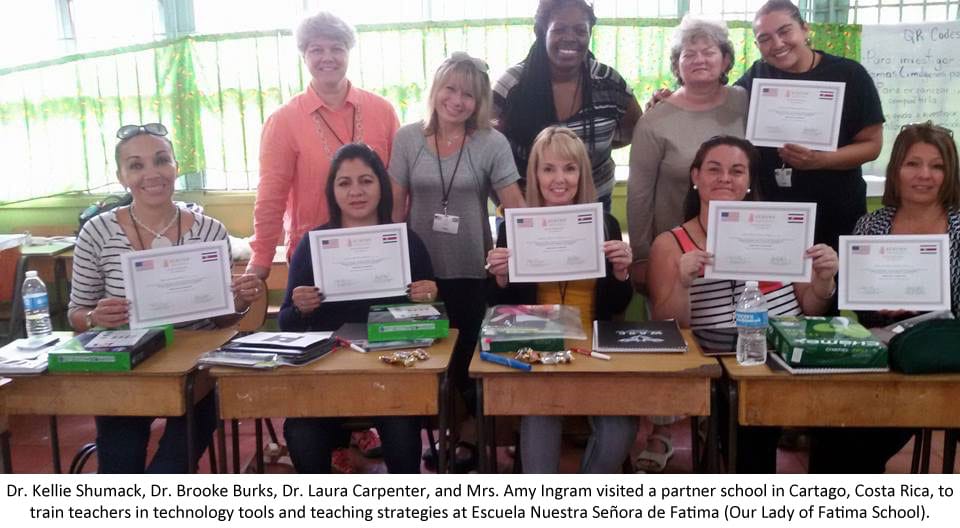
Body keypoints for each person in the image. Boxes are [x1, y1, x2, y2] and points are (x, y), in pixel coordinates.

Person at [68, 123, 263, 473]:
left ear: (175, 167)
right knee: (119, 467)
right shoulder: (96, 232)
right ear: (121, 176)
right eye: (136, 165)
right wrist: (96, 318)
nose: (151, 173)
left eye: (161, 160)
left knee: (172, 466)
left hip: (196, 370)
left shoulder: (210, 230)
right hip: (127, 369)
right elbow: (76, 314)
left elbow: (221, 321)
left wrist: (238, 302)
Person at [646, 135, 838, 472]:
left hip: (787, 349)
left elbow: (811, 308)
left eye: (736, 171)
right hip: (724, 360)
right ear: (695, 176)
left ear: (749, 181)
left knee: (839, 426)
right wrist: (682, 281)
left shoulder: (783, 226)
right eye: (713, 169)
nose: (724, 179)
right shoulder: (671, 243)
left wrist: (823, 281)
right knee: (749, 428)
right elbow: (669, 324)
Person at [646, 0, 884, 251]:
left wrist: (821, 160)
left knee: (830, 283)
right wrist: (670, 98)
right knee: (778, 289)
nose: (777, 44)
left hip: (836, 210)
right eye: (765, 38)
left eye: (784, 31)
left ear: (805, 29)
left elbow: (872, 145)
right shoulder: (760, 74)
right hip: (770, 215)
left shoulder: (849, 75)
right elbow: (715, 95)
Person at [389, 52, 525, 449]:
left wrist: (529, 245)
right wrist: (394, 268)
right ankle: (418, 435)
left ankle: (464, 438)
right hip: (419, 271)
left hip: (471, 267)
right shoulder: (407, 137)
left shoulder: (491, 142)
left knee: (464, 361)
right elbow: (396, 208)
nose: (457, 99)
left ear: (479, 101)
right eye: (450, 88)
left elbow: (514, 207)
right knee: (420, 357)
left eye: (469, 93)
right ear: (435, 89)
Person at [808, 121, 960, 473]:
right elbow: (857, 303)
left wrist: (925, 307)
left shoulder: (957, 228)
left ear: (949, 173)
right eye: (913, 164)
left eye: (936, 166)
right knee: (830, 429)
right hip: (878, 354)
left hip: (934, 359)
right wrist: (879, 303)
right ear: (897, 171)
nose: (924, 175)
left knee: (864, 443)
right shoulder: (871, 224)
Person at [279, 143, 436, 474]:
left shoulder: (407, 241)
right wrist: (300, 307)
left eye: (366, 180)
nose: (356, 192)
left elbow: (431, 321)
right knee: (300, 429)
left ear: (381, 184)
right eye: (344, 182)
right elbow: (286, 324)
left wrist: (429, 298)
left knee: (403, 427)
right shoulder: (312, 245)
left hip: (392, 371)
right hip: (327, 374)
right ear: (332, 191)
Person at [486, 126, 634, 473]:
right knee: (540, 422)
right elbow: (497, 307)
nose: (559, 179)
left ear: (582, 173)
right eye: (548, 168)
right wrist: (500, 277)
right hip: (536, 348)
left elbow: (616, 305)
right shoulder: (513, 227)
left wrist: (622, 273)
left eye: (569, 168)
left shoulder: (605, 225)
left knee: (619, 430)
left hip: (595, 349)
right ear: (535, 175)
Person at [248, 11, 400, 280]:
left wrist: (401, 240)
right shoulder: (284, 120)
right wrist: (260, 262)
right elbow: (271, 197)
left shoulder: (383, 111)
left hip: (377, 250)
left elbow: (399, 186)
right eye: (316, 49)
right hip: (313, 253)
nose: (327, 57)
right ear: (303, 56)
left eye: (336, 48)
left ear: (349, 53)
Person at [627, 15, 747, 295]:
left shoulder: (746, 101)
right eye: (688, 54)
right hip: (674, 250)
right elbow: (639, 195)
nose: (699, 60)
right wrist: (642, 256)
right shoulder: (654, 120)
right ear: (677, 65)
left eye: (709, 52)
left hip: (740, 247)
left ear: (726, 60)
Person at [493, 0, 641, 210]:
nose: (570, 38)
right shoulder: (513, 84)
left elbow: (635, 130)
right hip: (526, 206)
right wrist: (507, 202)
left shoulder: (610, 84)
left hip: (593, 202)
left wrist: (591, 147)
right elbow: (487, 147)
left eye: (580, 30)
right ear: (543, 32)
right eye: (560, 29)